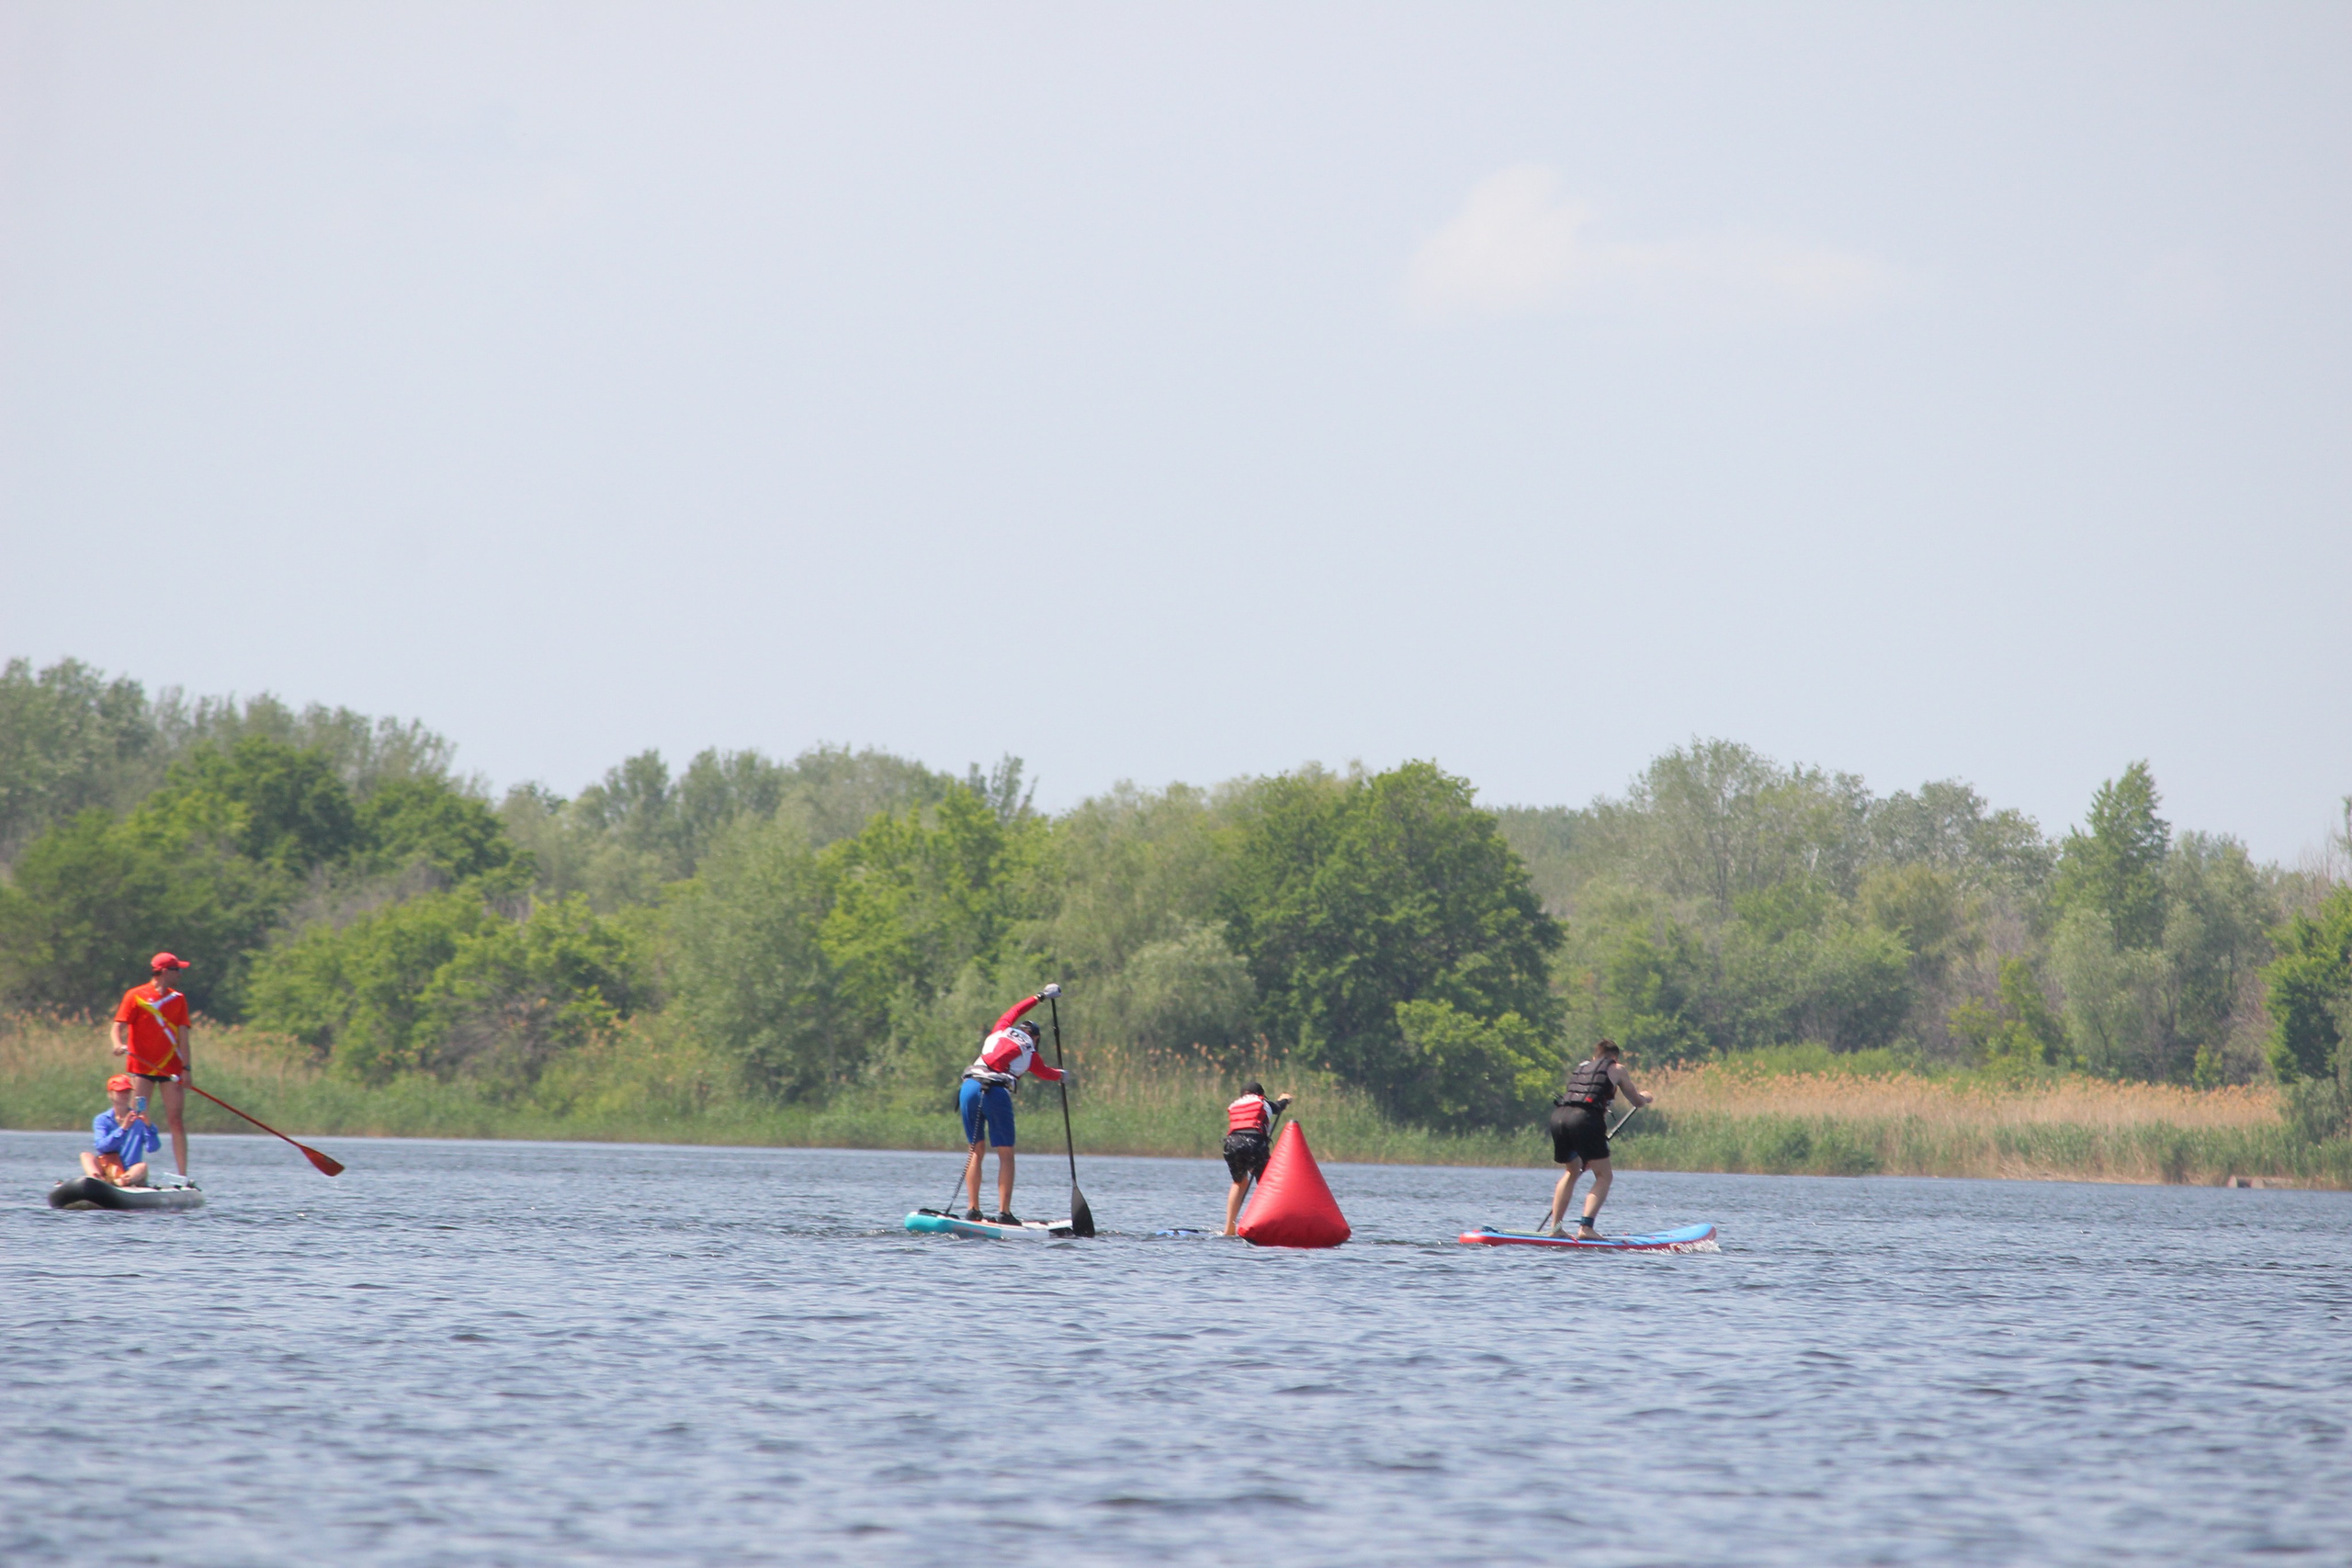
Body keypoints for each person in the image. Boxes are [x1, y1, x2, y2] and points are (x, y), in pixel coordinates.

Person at [957, 984, 1070, 1224]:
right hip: (995, 1092)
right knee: (1006, 1155)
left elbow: (1015, 1009)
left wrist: (1041, 996)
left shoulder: (1000, 1029)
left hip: (968, 1087)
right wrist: (1062, 1075)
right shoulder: (1030, 1051)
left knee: (975, 1151)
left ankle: (972, 1210)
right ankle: (1004, 1213)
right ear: (1036, 1038)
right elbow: (1046, 1073)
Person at [1544, 1039, 1652, 1238]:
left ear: (1595, 1055)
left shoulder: (1582, 1067)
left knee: (1571, 1172)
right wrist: (1645, 1097)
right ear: (1614, 1057)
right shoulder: (1617, 1069)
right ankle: (1586, 1228)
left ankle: (1555, 1229)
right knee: (1604, 1175)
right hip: (1583, 1120)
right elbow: (1636, 1101)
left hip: (1559, 1118)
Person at [111, 953, 194, 1177]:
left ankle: (183, 1176)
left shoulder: (178, 999)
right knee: (137, 1117)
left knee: (176, 1120)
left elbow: (183, 1037)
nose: (181, 974)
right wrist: (118, 1044)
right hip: (142, 1070)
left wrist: (187, 1069)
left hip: (171, 1070)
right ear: (165, 972)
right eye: (178, 970)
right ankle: (128, 1171)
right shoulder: (135, 995)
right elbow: (117, 1026)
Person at [1221, 1080, 1294, 1235]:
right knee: (1267, 1184)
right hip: (1254, 1143)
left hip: (1232, 1144)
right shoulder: (1263, 1102)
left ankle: (1229, 1228)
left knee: (1239, 1182)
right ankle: (1269, 1223)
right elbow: (1278, 1107)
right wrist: (1286, 1099)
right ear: (1261, 1094)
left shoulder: (1235, 1104)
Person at [82, 1074, 164, 1188]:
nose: (124, 1095)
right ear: (111, 1094)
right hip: (109, 1168)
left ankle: (121, 1182)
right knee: (86, 1156)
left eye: (127, 1091)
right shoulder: (102, 1120)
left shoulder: (139, 1120)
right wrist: (123, 1129)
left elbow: (153, 1148)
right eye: (120, 1091)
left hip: (130, 1171)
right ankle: (98, 1181)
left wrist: (148, 1126)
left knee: (142, 1167)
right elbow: (101, 1147)